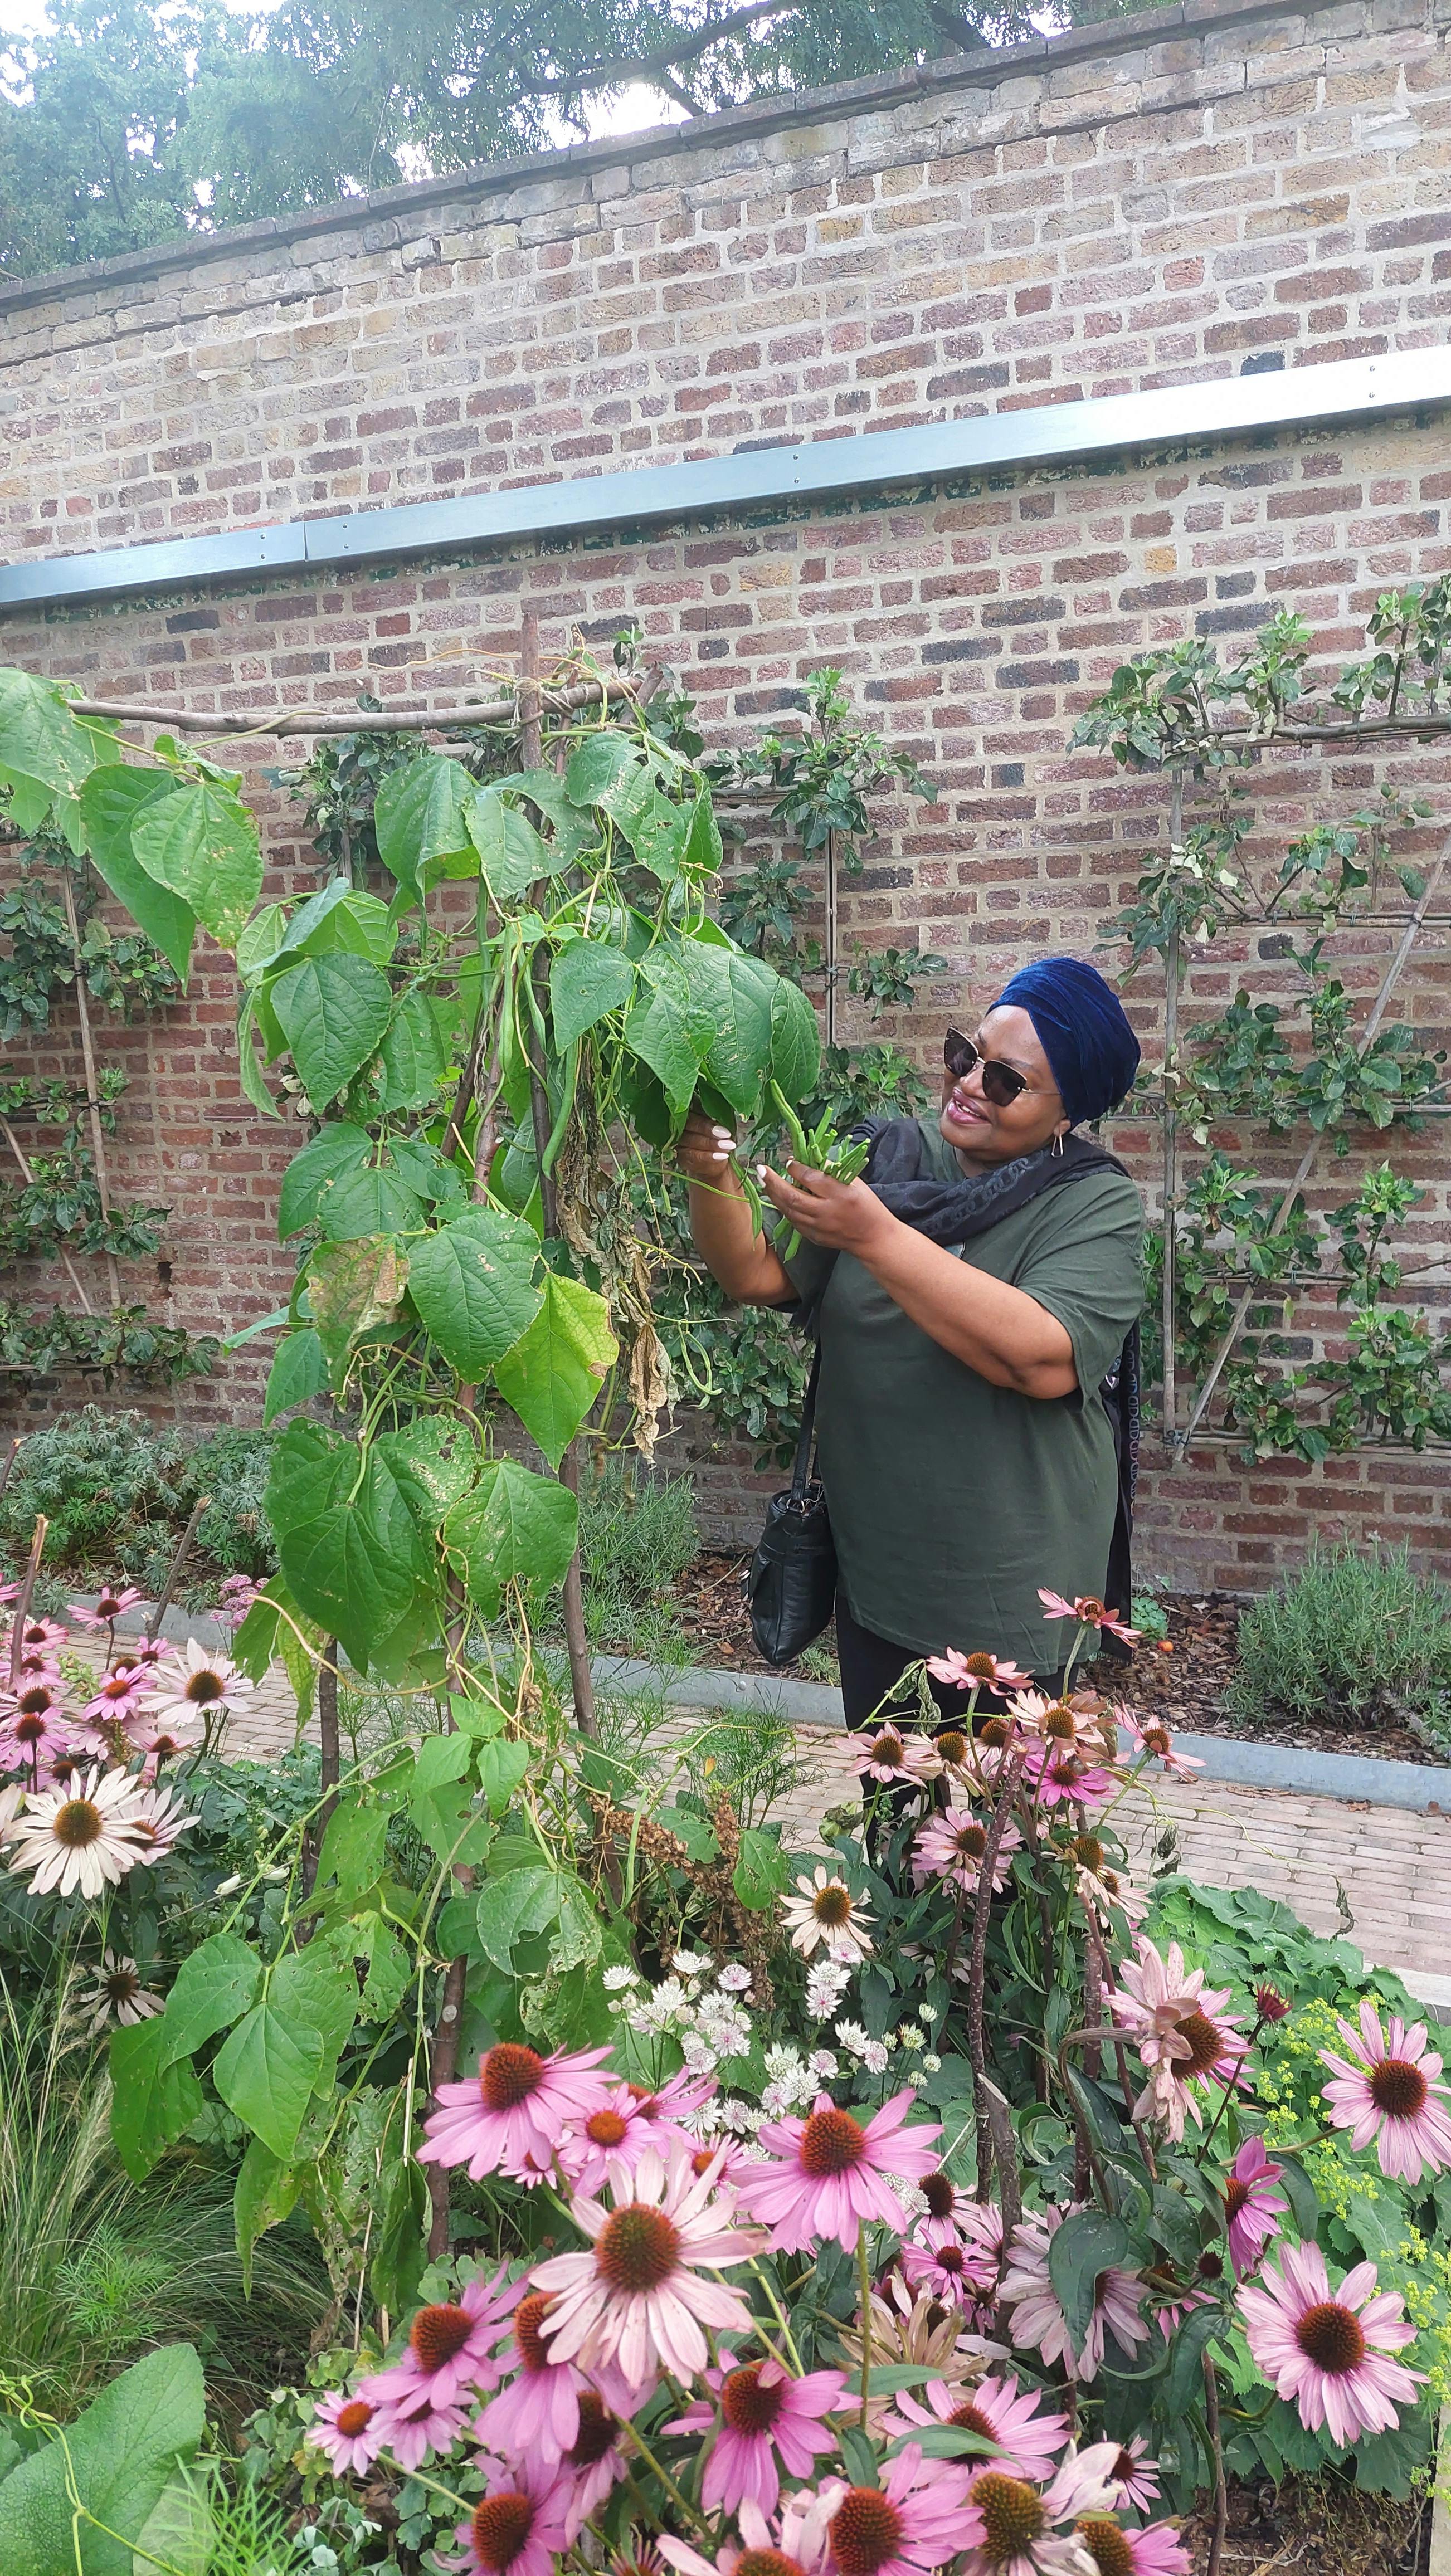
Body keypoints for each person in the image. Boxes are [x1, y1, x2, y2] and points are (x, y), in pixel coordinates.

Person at [677, 955, 1145, 1729]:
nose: (968, 1084)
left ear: (1068, 1115)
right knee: (893, 1807)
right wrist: (708, 1170)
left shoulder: (1094, 1203)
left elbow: (1038, 1357)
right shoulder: (886, 1158)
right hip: (881, 1563)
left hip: (1014, 1576)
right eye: (968, 1056)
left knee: (1002, 1832)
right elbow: (760, 1274)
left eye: (1005, 1081)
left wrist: (874, 1234)